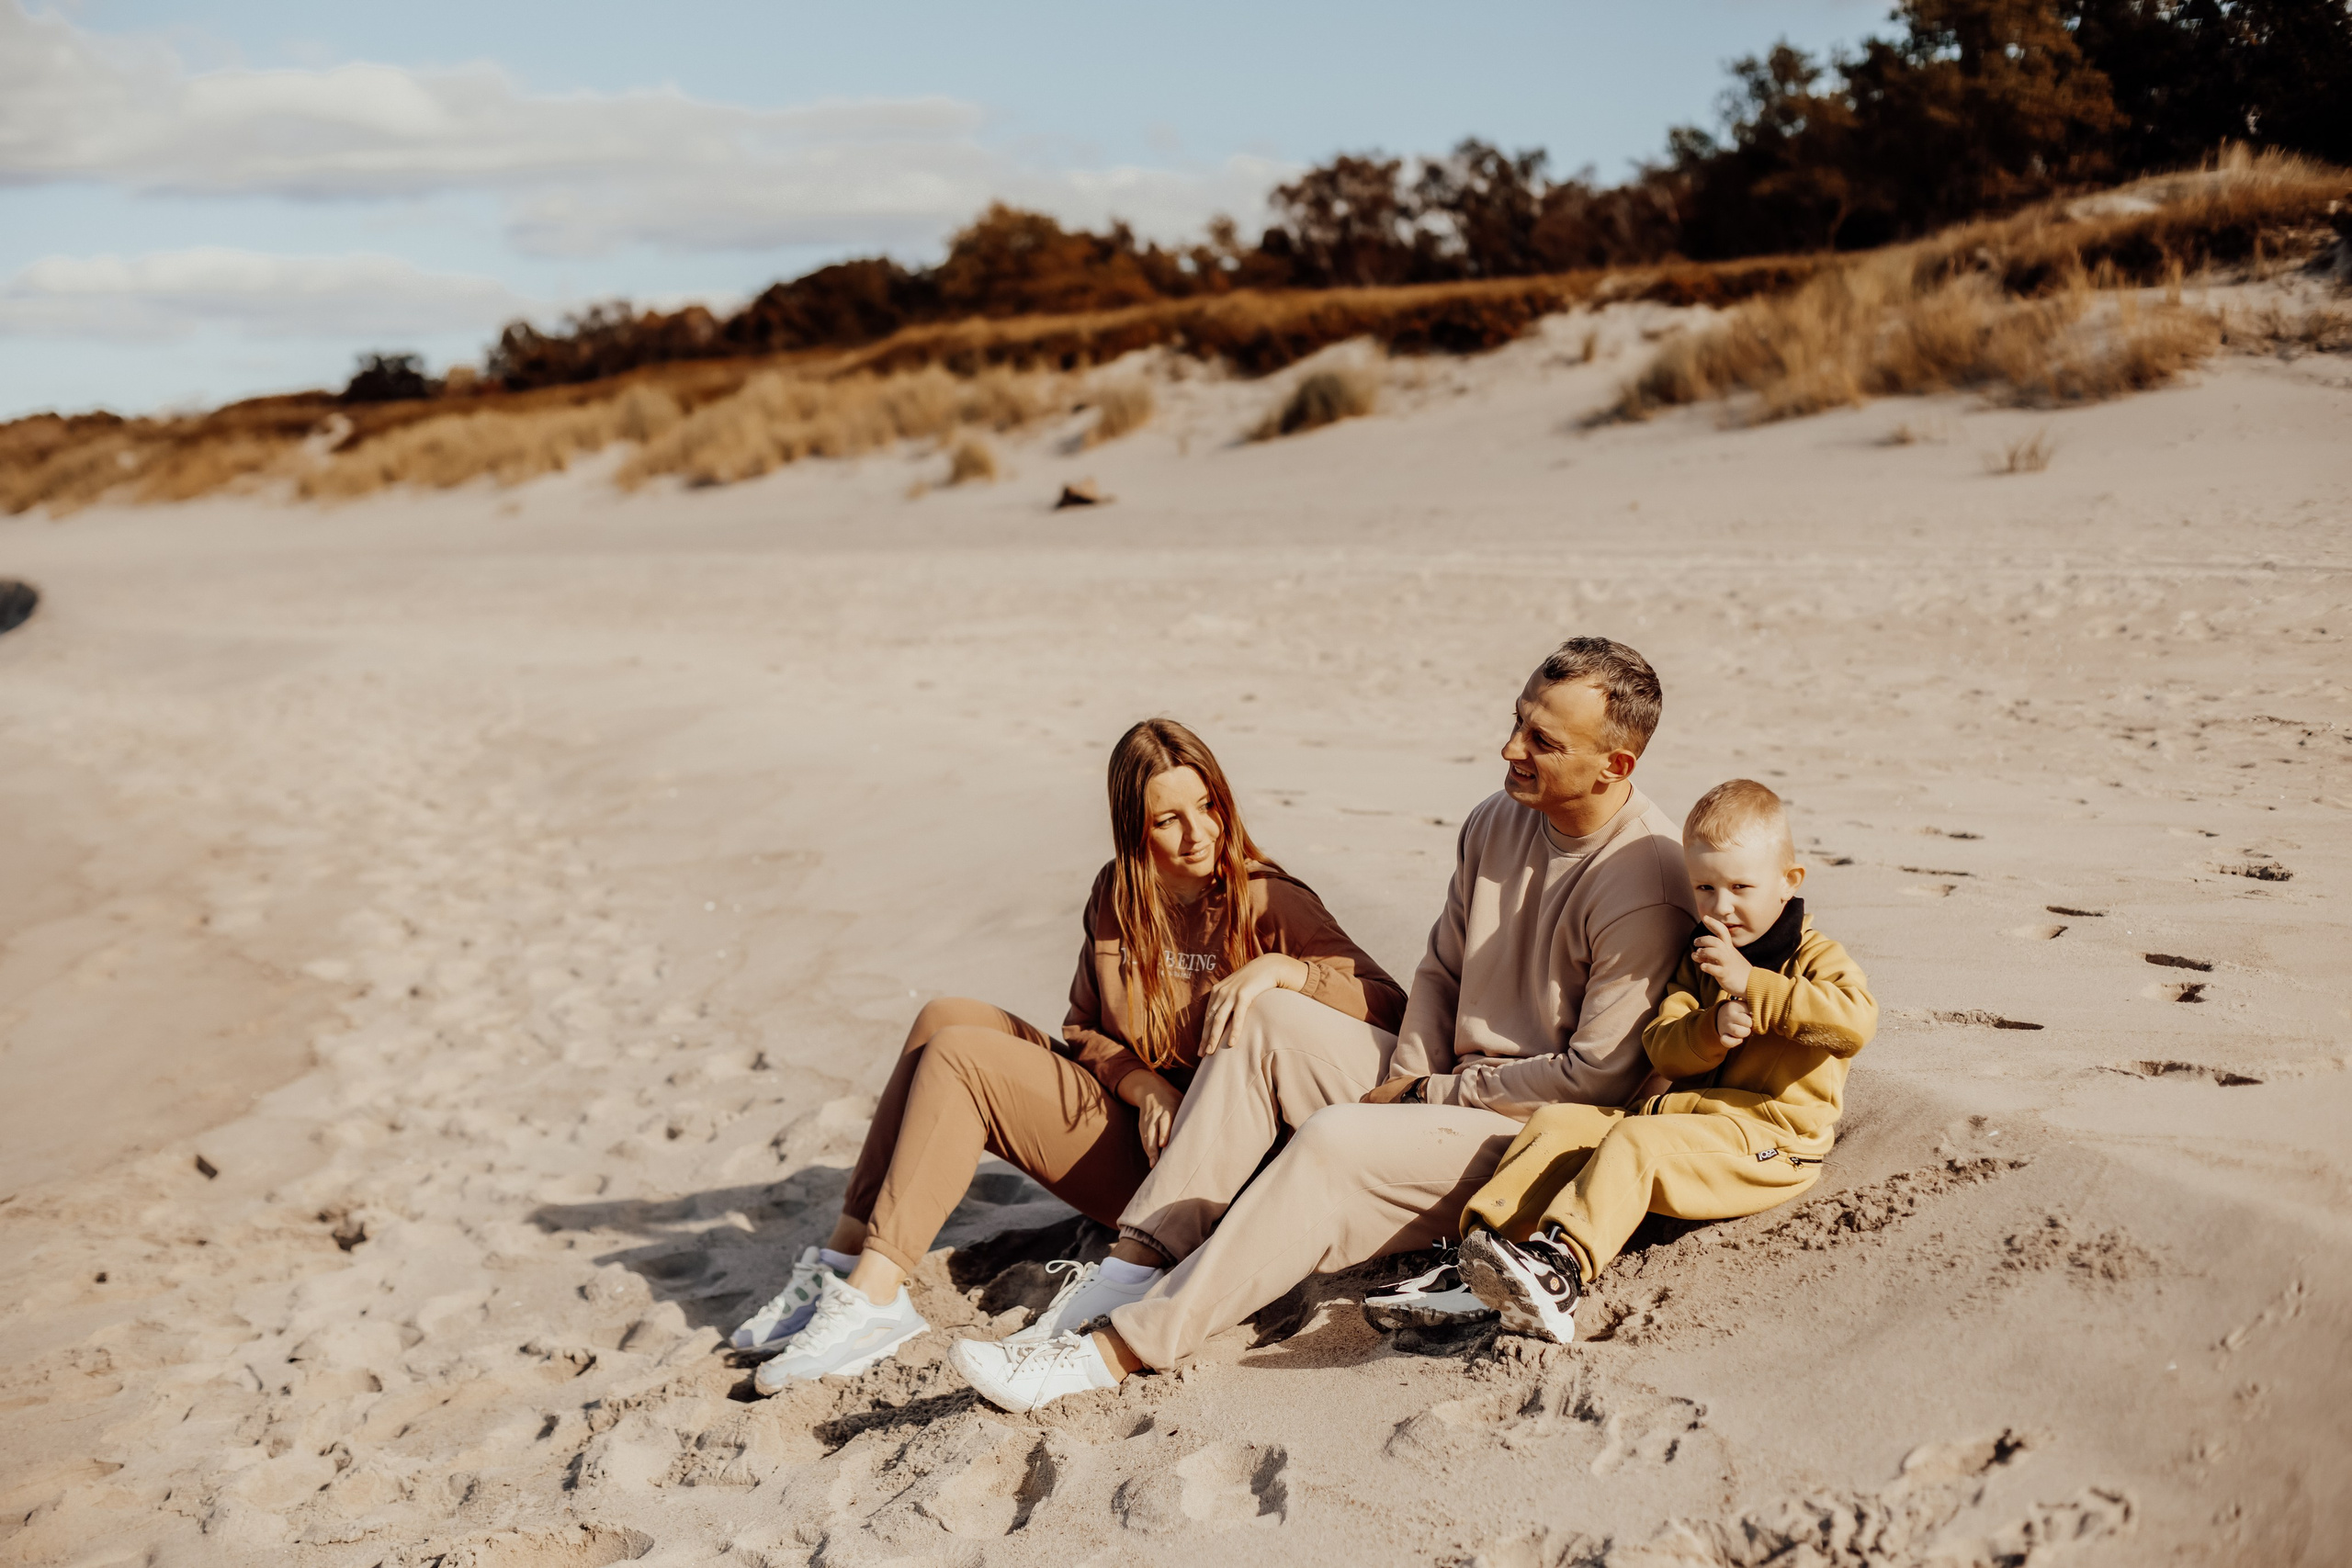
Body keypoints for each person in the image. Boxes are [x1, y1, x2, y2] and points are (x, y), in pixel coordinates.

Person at [949, 637, 1697, 1412]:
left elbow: (1598, 1078)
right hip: (1442, 1091)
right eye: (1516, 720)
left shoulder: (1643, 879)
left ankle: (1117, 1349)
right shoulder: (1495, 821)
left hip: (1531, 1135)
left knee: (1333, 1142)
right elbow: (1439, 972)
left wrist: (1426, 1098)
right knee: (1263, 1013)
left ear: (1615, 767)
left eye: (1542, 740)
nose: (1509, 747)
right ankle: (1127, 1269)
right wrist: (1405, 1078)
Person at [741, 717, 1405, 1392]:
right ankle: (841, 1265)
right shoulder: (1118, 894)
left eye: (1208, 806)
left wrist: (1284, 971)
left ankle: (875, 1299)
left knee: (961, 1058)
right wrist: (1144, 1084)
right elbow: (1086, 1029)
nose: (1199, 833)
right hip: (1142, 1135)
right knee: (944, 1019)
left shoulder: (1268, 898)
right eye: (1168, 819)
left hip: (1210, 1180)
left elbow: (1387, 1005)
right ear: (1133, 827)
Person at [1453, 778, 1877, 1339]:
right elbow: (1663, 1045)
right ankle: (1481, 1257)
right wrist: (1708, 1031)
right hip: (1690, 1122)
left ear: (1787, 883)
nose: (1720, 907)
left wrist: (1754, 985)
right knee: (1558, 1122)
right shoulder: (1699, 962)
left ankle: (1560, 1272)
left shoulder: (1817, 957)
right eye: (1703, 888)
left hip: (1776, 1143)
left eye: (1740, 887)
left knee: (1634, 1144)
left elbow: (1854, 1022)